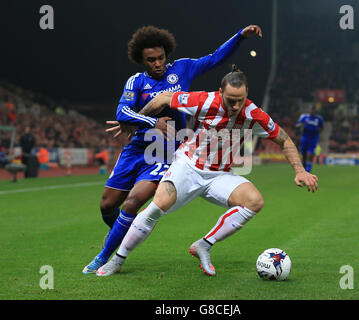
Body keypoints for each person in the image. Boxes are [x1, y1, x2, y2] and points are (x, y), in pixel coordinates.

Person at [96, 66, 318, 277]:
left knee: (254, 201)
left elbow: (284, 139)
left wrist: (299, 171)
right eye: (231, 100)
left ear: (247, 93)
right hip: (188, 166)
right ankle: (118, 259)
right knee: (157, 206)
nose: (235, 106)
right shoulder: (204, 101)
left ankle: (203, 245)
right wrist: (138, 122)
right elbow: (163, 98)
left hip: (220, 175)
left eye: (240, 100)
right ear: (221, 92)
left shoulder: (254, 115)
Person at [82, 25, 263, 274]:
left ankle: (104, 256)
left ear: (166, 54)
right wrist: (150, 121)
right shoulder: (136, 81)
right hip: (136, 148)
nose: (157, 63)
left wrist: (240, 37)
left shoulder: (183, 68)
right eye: (151, 60)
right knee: (107, 206)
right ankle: (126, 233)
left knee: (134, 201)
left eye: (160, 58)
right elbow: (121, 113)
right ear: (141, 60)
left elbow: (215, 57)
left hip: (165, 150)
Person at [296, 106, 323, 172]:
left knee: (310, 154)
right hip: (305, 137)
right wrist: (302, 125)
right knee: (303, 153)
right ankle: (304, 166)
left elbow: (322, 127)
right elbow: (297, 125)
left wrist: (317, 131)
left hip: (313, 138)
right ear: (309, 110)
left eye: (313, 110)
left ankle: (308, 170)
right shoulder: (304, 117)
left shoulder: (319, 118)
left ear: (315, 111)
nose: (312, 111)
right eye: (311, 110)